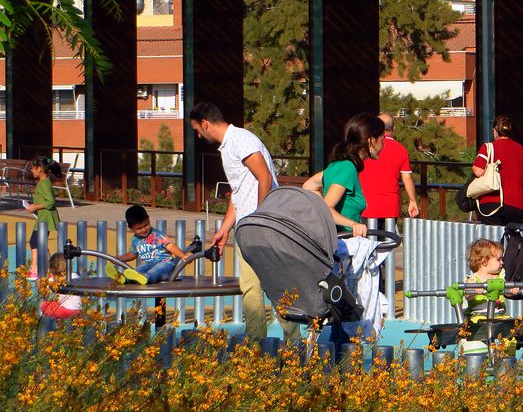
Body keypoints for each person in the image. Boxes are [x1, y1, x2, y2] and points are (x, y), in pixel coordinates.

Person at [189, 102, 300, 344]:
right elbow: (239, 194)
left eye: (197, 130)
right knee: (251, 288)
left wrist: (261, 219)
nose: (198, 135)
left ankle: (292, 345)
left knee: (274, 286)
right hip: (249, 228)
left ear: (205, 124)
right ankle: (259, 342)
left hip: (262, 228)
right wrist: (225, 228)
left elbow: (265, 178)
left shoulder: (240, 140)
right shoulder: (228, 147)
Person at [303, 113, 384, 237]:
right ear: (371, 141)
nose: (383, 145)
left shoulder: (337, 165)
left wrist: (320, 200)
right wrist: (353, 224)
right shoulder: (348, 168)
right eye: (382, 140)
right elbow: (327, 208)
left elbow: (308, 186)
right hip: (343, 241)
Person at [359, 113, 419, 229]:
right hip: (389, 206)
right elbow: (407, 178)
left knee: (367, 244)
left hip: (366, 204)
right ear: (394, 128)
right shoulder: (401, 149)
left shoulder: (366, 147)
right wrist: (413, 201)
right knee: (387, 244)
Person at [109, 204, 189, 284]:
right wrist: (121, 258)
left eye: (146, 225)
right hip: (149, 265)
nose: (143, 230)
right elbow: (132, 254)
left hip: (165, 264)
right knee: (137, 271)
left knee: (156, 270)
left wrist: (182, 256)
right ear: (131, 228)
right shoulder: (136, 239)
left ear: (148, 219)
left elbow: (169, 245)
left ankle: (146, 277)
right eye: (139, 228)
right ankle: (123, 278)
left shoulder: (157, 235)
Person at [471, 115, 523, 224]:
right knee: (511, 239)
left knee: (492, 239)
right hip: (516, 205)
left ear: (494, 131)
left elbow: (478, 171)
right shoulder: (521, 150)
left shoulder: (488, 148)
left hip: (492, 203)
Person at [23, 157, 61, 280]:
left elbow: (50, 201)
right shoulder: (45, 182)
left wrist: (35, 207)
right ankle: (49, 270)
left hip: (45, 219)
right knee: (40, 243)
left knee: (34, 241)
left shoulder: (43, 184)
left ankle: (35, 269)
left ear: (39, 169)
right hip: (43, 217)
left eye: (33, 169)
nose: (31, 171)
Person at [40, 252, 83, 320]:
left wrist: (41, 284)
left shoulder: (55, 281)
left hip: (65, 311)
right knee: (56, 303)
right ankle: (59, 320)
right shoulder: (75, 276)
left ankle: (57, 320)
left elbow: (47, 290)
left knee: (44, 305)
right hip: (78, 310)